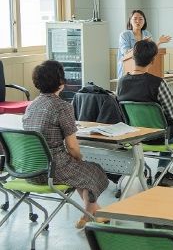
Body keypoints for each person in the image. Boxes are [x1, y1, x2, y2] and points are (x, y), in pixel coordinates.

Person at [22, 60, 109, 229]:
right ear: (61, 81)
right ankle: (91, 212)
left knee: (81, 173)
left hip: (29, 169)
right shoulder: (62, 107)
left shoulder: (31, 106)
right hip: (53, 169)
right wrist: (78, 159)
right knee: (94, 170)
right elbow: (73, 147)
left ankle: (93, 212)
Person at [116, 40, 173, 188]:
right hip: (162, 136)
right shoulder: (158, 83)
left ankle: (161, 172)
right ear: (153, 60)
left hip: (137, 137)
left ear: (133, 57)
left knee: (164, 126)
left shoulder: (122, 82)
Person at [116, 9, 172, 78]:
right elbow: (126, 53)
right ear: (130, 21)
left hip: (144, 69)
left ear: (144, 21)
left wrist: (159, 42)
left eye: (141, 19)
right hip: (127, 69)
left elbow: (151, 51)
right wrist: (141, 43)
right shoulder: (124, 35)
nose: (138, 21)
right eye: (135, 19)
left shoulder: (147, 33)